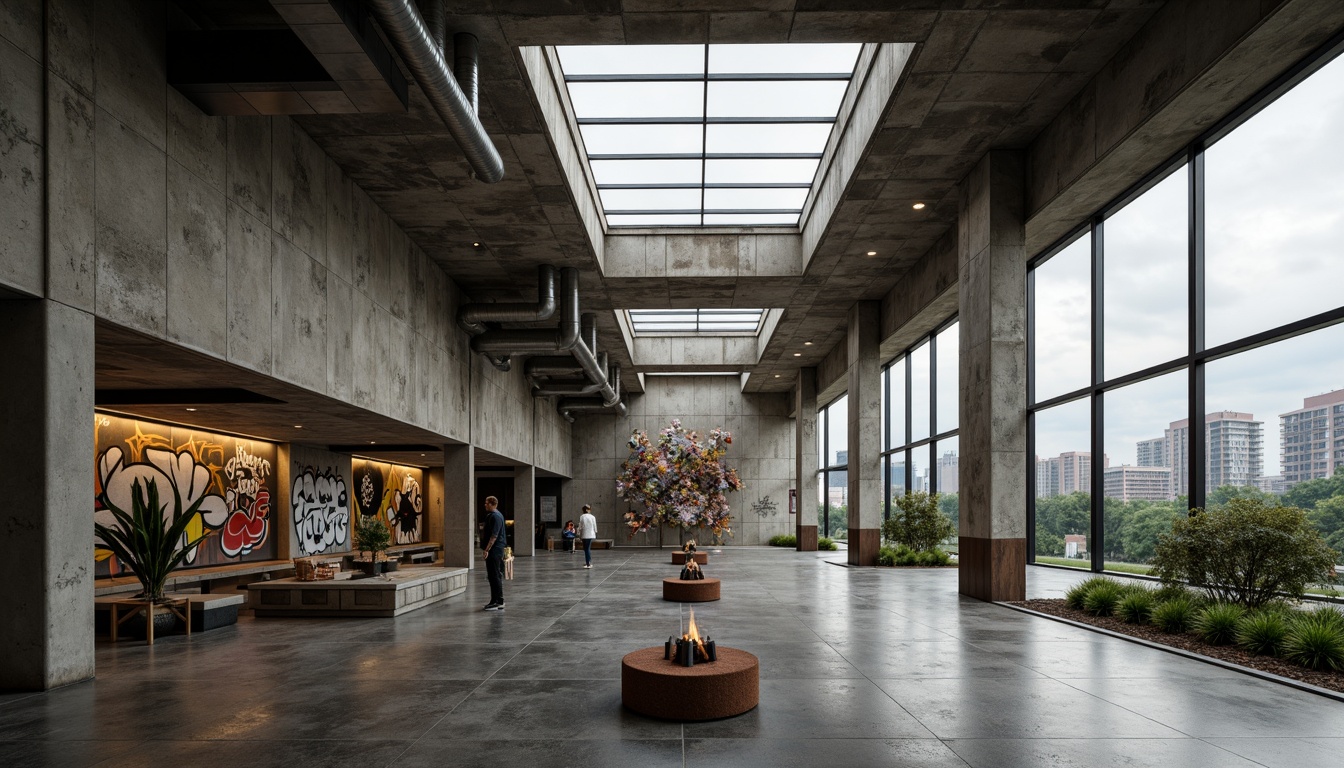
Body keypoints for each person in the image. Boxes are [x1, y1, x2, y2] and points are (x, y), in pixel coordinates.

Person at [481, 496, 506, 611]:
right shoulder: (495, 515)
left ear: (492, 504)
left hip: (495, 550)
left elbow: (494, 536)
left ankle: (498, 601)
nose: (485, 505)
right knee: (492, 575)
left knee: (495, 575)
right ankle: (494, 600)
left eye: (487, 503)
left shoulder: (495, 516)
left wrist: (487, 550)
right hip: (495, 549)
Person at [578, 504, 598, 569]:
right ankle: (588, 561)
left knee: (586, 549)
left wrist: (579, 534)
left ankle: (588, 563)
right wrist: (595, 532)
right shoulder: (592, 517)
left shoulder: (582, 516)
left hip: (584, 534)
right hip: (591, 534)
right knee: (587, 548)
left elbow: (580, 526)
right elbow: (595, 526)